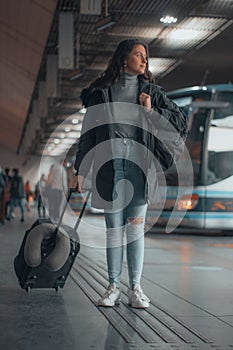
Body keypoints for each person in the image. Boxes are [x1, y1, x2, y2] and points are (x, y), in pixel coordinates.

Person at [74, 39, 187, 308]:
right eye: (139, 54)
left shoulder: (152, 93)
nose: (144, 60)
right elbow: (88, 134)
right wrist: (80, 170)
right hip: (109, 167)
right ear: (124, 58)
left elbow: (180, 121)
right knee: (114, 230)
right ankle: (112, 286)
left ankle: (135, 288)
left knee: (135, 231)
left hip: (139, 168)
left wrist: (151, 110)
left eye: (146, 56)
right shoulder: (101, 92)